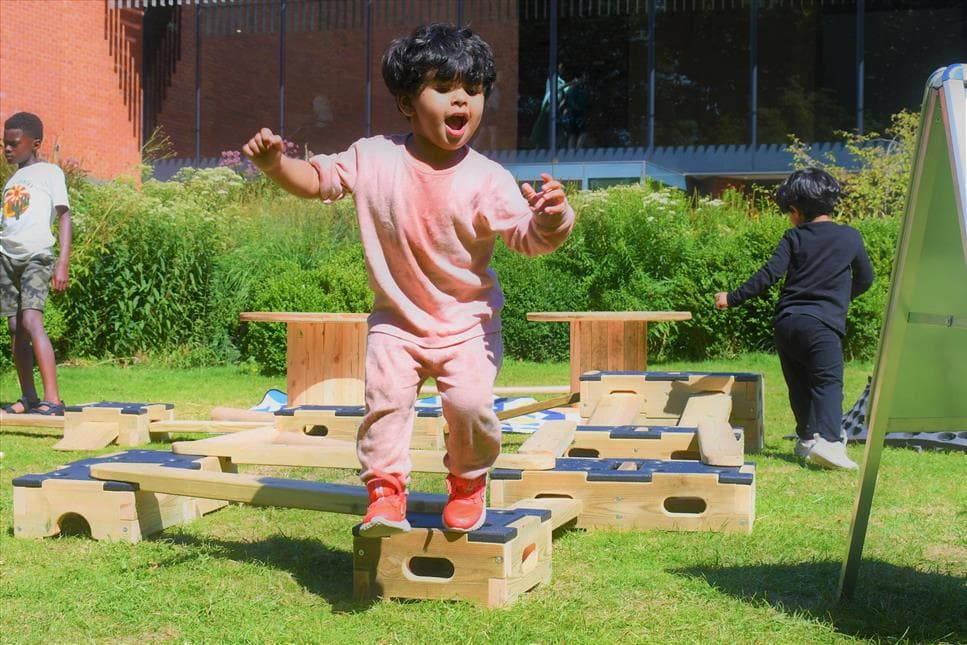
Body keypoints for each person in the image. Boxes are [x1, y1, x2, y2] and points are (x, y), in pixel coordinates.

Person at [242, 23, 575, 534]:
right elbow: (316, 181)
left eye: (473, 90)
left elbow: (531, 238)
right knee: (386, 404)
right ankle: (386, 492)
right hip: (396, 323)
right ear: (406, 102)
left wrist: (552, 216)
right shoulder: (373, 157)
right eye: (443, 89)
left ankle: (467, 480)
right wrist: (276, 165)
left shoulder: (488, 179)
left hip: (468, 324)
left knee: (468, 406)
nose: (461, 100)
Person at [714, 167, 873, 470]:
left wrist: (731, 297)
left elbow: (769, 275)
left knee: (799, 383)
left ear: (797, 210)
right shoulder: (850, 237)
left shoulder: (794, 237)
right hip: (822, 326)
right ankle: (829, 442)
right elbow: (866, 278)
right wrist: (837, 299)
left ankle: (806, 439)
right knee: (827, 382)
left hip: (787, 324)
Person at [1, 112, 73, 416]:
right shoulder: (13, 179)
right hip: (6, 257)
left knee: (31, 322)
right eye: (4, 144)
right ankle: (29, 398)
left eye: (14, 144)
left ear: (36, 143)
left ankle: (53, 399)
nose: (7, 149)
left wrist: (62, 264)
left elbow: (64, 216)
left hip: (36, 255)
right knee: (15, 327)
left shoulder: (50, 172)